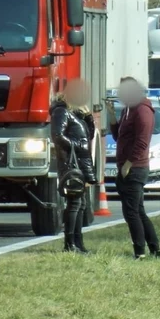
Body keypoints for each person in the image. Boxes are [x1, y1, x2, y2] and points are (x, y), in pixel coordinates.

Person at [108, 77, 160, 260]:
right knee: (137, 210)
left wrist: (128, 164)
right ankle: (155, 250)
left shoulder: (142, 110)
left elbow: (142, 141)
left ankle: (140, 252)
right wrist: (112, 117)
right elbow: (119, 138)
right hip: (126, 167)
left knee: (131, 212)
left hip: (136, 168)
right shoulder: (127, 110)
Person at [50, 79, 98, 254]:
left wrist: (88, 117)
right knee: (74, 203)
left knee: (81, 204)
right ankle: (70, 244)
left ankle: (78, 243)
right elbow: (57, 135)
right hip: (72, 163)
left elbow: (89, 135)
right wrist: (77, 145)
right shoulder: (61, 112)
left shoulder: (76, 113)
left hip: (82, 163)